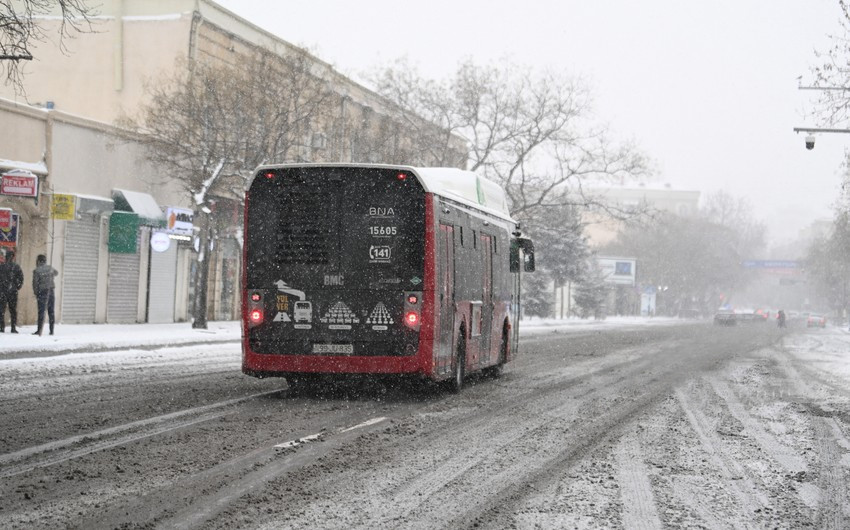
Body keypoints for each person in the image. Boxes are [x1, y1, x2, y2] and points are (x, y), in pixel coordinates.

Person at [32, 254, 58, 336]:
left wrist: (36, 293)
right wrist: (49, 274)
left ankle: (39, 330)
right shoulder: (50, 268)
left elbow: (35, 284)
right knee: (51, 311)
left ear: (38, 261)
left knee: (41, 311)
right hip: (51, 291)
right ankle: (51, 330)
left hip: (42, 292)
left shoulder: (36, 271)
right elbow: (56, 273)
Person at [0, 249, 24, 333]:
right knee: (13, 310)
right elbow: (21, 279)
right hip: (12, 292)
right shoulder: (16, 267)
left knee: (1, 310)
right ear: (13, 257)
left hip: (2, 291)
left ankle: (2, 327)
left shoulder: (1, 267)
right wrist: (17, 287)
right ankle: (13, 328)